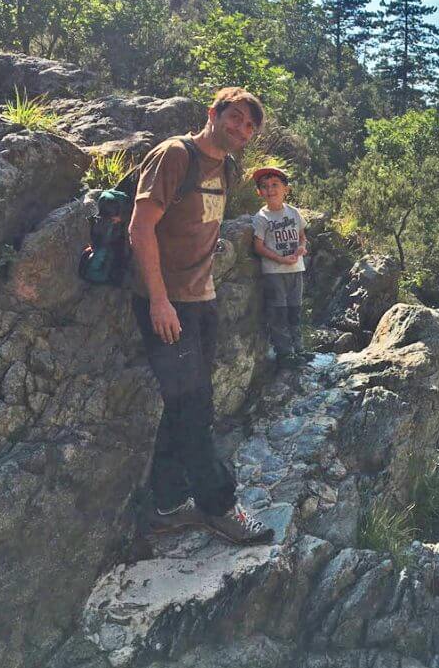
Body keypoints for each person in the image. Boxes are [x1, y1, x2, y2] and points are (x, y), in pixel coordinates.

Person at [128, 87, 274, 545]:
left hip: (201, 299)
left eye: (249, 126)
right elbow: (140, 227)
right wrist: (159, 301)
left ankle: (168, 505)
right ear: (213, 113)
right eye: (235, 117)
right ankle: (219, 506)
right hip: (167, 304)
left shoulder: (226, 168)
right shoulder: (175, 156)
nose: (242, 129)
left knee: (184, 406)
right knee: (195, 409)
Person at [251, 167, 308, 367]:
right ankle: (284, 354)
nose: (270, 190)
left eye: (275, 185)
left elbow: (302, 236)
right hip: (274, 273)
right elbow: (258, 247)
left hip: (296, 270)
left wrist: (301, 247)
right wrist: (279, 259)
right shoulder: (261, 217)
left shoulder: (293, 212)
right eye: (265, 187)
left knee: (295, 311)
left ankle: (299, 349)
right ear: (259, 192)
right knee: (279, 313)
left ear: (286, 189)